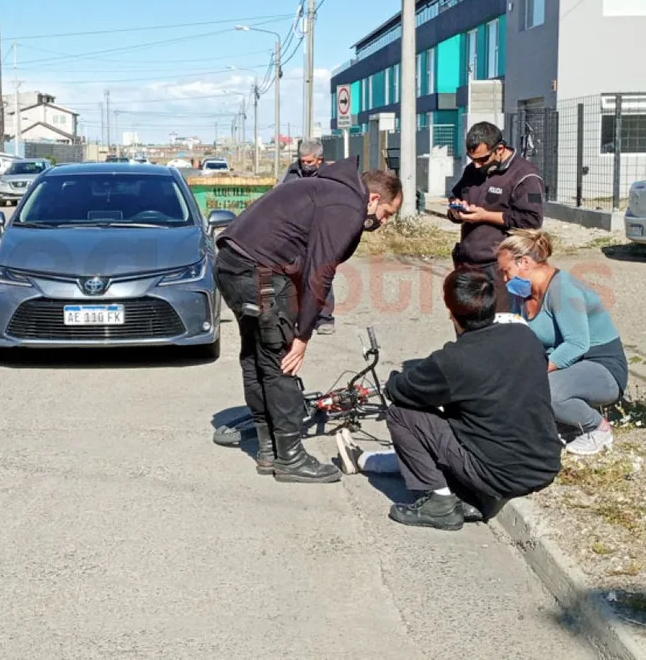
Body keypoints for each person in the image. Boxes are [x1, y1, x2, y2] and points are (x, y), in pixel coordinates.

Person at [215, 156, 403, 483]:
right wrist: (302, 336)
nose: (384, 222)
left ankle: (268, 449)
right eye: (387, 213)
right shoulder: (347, 206)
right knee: (281, 360)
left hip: (231, 266)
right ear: (374, 199)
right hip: (259, 273)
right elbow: (320, 273)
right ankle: (289, 457)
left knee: (256, 357)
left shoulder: (327, 190)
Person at [339, 269, 562, 530]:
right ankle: (471, 493)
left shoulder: (453, 360)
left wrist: (399, 378)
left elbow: (399, 390)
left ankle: (439, 503)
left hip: (500, 474)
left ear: (451, 312)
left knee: (401, 413)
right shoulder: (524, 337)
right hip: (544, 464)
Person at [497, 229, 628, 455]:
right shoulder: (521, 293)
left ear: (525, 262)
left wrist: (534, 371)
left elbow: (577, 345)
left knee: (544, 389)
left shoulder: (563, 289)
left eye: (506, 271)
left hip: (602, 368)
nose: (504, 279)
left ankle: (597, 427)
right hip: (567, 366)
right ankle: (564, 424)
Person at [448, 121, 545, 312]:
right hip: (467, 265)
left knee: (499, 327)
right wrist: (456, 210)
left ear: (499, 149)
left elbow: (531, 221)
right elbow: (455, 196)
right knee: (467, 324)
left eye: (482, 159)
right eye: (471, 159)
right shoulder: (473, 170)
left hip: (500, 269)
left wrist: (485, 216)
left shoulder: (526, 176)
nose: (476, 165)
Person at [279, 140, 335, 335]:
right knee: (294, 275)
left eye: (309, 161)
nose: (305, 165)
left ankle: (324, 318)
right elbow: (278, 196)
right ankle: (297, 318)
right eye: (303, 161)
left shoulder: (331, 175)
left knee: (322, 274)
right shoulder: (291, 173)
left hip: (321, 231)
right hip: (294, 232)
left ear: (319, 160)